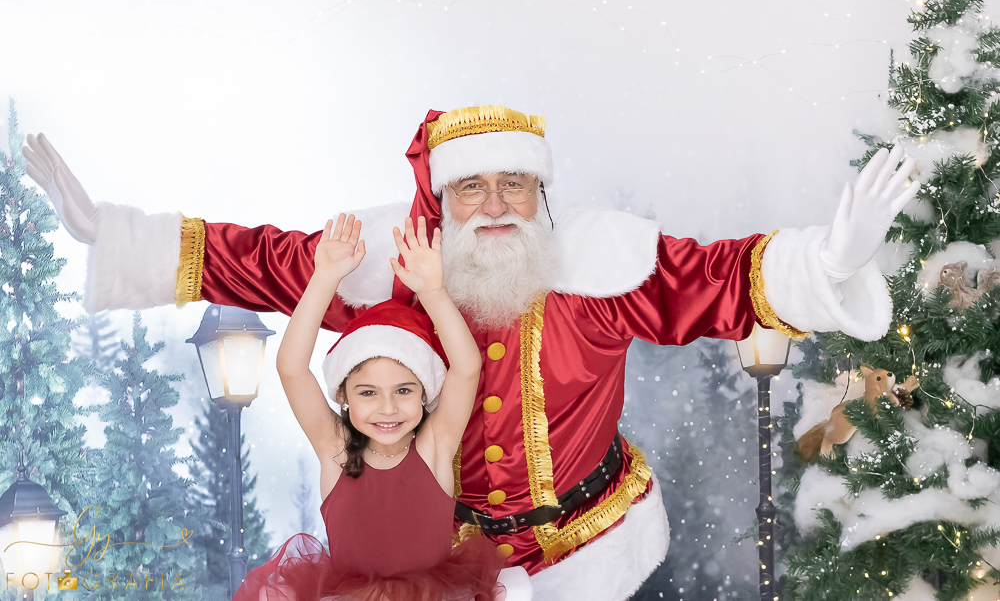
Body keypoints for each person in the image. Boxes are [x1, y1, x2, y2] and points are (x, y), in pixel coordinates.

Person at [22, 104, 918, 600]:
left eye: (514, 184)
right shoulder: (385, 263)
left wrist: (825, 262)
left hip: (586, 559)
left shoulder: (604, 264)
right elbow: (259, 261)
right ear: (443, 201)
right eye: (473, 186)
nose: (494, 205)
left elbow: (721, 277)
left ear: (541, 192)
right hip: (439, 576)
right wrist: (120, 237)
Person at [238, 212, 531, 601]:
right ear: (343, 396)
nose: (388, 409)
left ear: (426, 394)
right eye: (368, 393)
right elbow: (291, 368)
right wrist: (324, 279)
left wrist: (432, 291)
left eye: (404, 391)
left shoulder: (434, 446)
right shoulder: (335, 450)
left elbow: (466, 368)